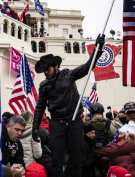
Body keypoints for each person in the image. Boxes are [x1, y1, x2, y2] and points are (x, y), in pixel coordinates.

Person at [32, 35, 105, 177]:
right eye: (44, 70)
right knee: (56, 160)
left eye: (47, 69)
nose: (45, 72)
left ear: (56, 66)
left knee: (76, 158)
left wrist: (98, 49)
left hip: (75, 122)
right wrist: (35, 127)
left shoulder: (69, 75)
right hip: (57, 124)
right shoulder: (44, 86)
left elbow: (87, 67)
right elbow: (40, 107)